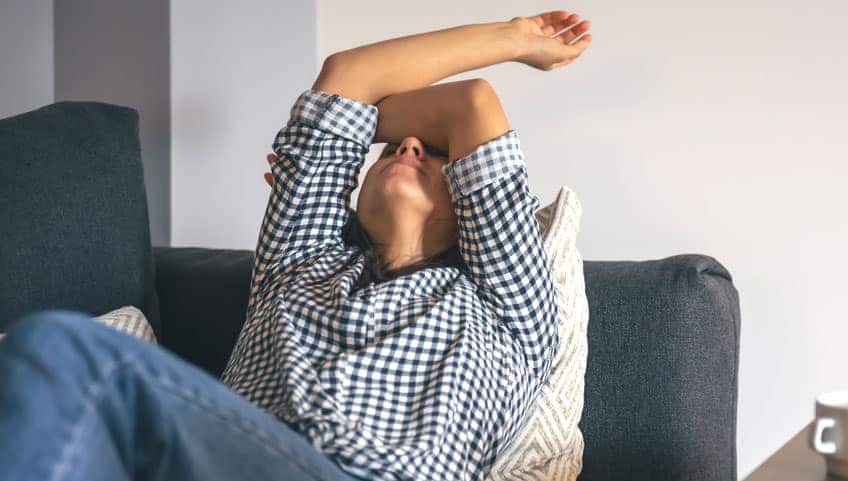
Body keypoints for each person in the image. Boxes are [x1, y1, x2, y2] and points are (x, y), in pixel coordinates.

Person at [0, 10, 592, 481]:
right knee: (51, 348)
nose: (408, 147)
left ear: (470, 203)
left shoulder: (504, 302)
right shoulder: (301, 260)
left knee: (63, 349)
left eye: (433, 152)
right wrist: (513, 37)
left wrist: (361, 126)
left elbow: (471, 104)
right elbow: (347, 77)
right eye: (391, 149)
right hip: (234, 457)